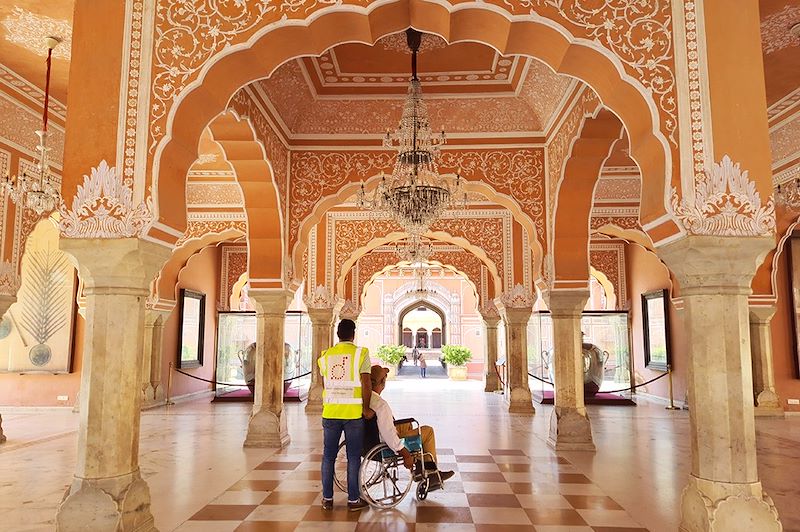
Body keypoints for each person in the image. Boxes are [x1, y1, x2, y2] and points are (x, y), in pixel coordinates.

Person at [319, 319, 374, 512]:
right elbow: (367, 384)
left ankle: (327, 499)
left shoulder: (325, 356)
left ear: (338, 334)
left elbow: (326, 383)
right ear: (353, 333)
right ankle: (353, 500)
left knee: (328, 457)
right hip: (353, 414)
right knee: (353, 457)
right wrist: (366, 409)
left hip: (331, 412)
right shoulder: (361, 353)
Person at [368, 365, 454, 486]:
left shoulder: (366, 398)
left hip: (371, 438)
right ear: (382, 382)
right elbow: (388, 433)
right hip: (384, 442)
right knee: (427, 432)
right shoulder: (381, 405)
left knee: (407, 424)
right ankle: (431, 473)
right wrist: (405, 453)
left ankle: (419, 466)